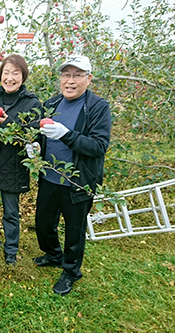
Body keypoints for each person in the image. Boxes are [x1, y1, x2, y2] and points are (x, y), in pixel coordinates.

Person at [33, 55, 111, 295]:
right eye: (66, 74)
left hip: (78, 181)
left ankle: (70, 271)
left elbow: (98, 146)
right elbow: (42, 134)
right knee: (43, 223)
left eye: (77, 75)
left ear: (88, 78)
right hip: (49, 177)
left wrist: (66, 135)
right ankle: (54, 255)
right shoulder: (52, 104)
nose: (70, 80)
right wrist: (35, 145)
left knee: (74, 230)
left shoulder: (97, 107)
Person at [0, 54, 42, 266]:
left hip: (13, 166)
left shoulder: (32, 103)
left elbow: (32, 134)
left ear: (23, 76)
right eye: (6, 73)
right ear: (0, 75)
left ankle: (11, 250)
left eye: (15, 73)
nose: (10, 78)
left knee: (11, 212)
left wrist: (6, 122)